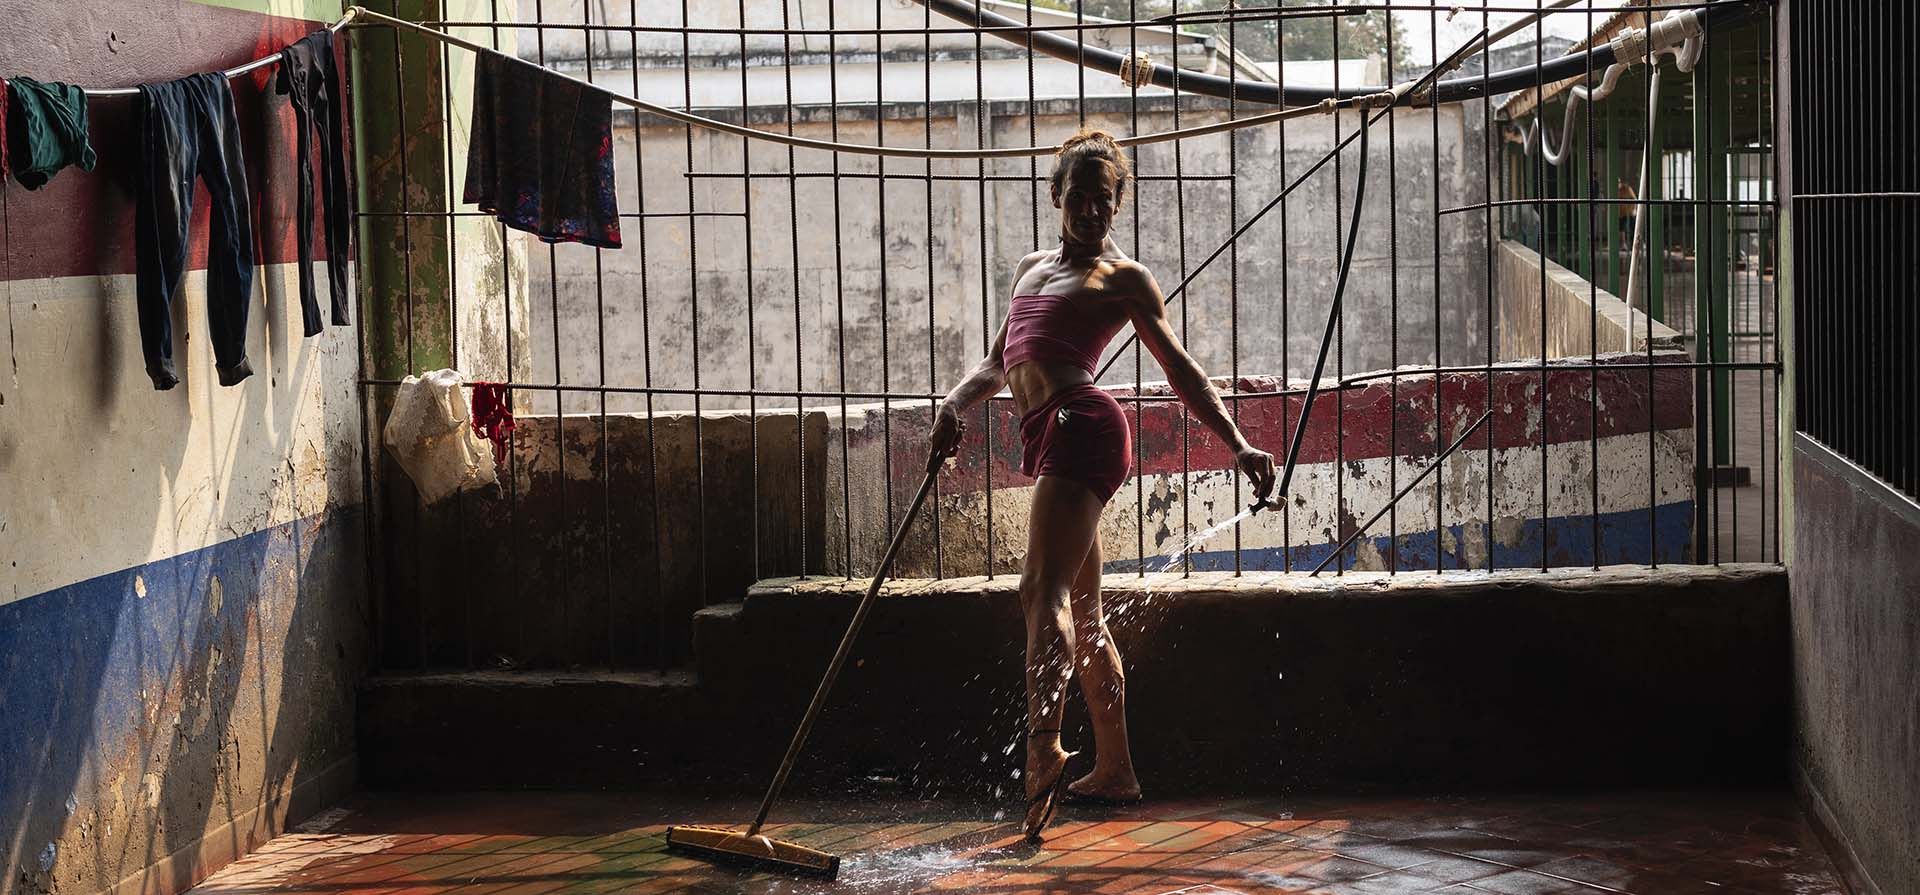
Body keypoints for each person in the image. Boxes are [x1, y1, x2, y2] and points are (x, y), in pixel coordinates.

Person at [927, 130, 1277, 841]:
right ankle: (1115, 769)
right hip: (1051, 430)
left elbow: (1181, 370)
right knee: (1081, 609)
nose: (1090, 212)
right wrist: (952, 405)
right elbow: (999, 362)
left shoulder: (1123, 278)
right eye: (1078, 198)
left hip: (1082, 423)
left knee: (1039, 592)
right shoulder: (1030, 268)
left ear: (1118, 205)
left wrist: (1237, 443)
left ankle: (1043, 748)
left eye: (1104, 201)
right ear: (1056, 198)